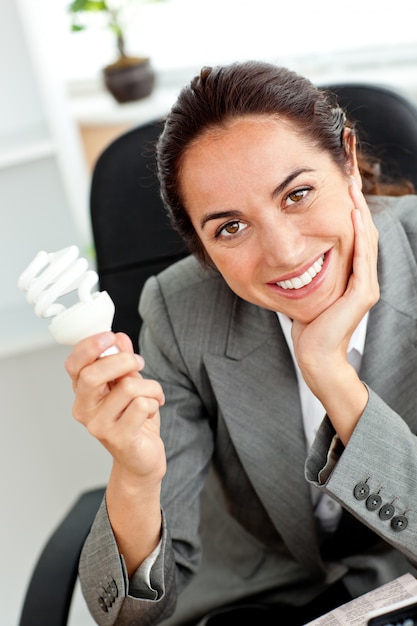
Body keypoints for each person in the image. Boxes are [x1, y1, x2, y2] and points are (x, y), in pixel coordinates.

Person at [65, 60, 417, 626]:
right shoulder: (180, 311)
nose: (283, 251)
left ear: (347, 161)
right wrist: (134, 476)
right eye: (230, 227)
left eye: (298, 193)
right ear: (201, 247)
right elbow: (127, 617)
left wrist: (331, 374)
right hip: (252, 604)